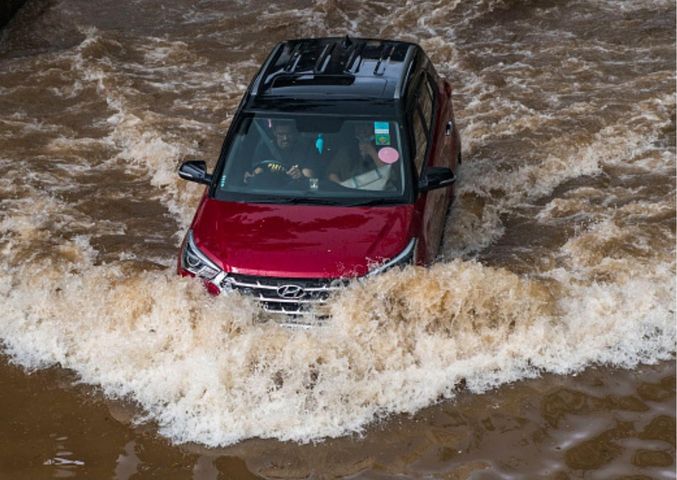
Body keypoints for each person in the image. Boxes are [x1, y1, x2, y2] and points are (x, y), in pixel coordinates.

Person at [244, 120, 317, 184]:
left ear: (295, 133)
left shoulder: (305, 149)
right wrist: (252, 177)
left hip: (296, 192)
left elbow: (310, 176)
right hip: (269, 190)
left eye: (289, 134)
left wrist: (300, 175)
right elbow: (258, 169)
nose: (285, 138)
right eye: (281, 134)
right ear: (274, 133)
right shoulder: (265, 147)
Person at [327, 122, 389, 186]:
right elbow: (332, 174)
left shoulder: (385, 152)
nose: (362, 130)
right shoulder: (345, 152)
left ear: (373, 129)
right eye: (359, 126)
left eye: (367, 126)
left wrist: (372, 152)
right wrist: (344, 188)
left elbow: (389, 174)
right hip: (351, 194)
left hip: (378, 194)